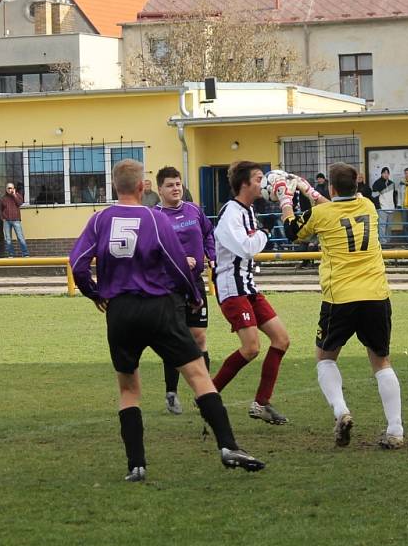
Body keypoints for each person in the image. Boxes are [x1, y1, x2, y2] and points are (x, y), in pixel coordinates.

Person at [69, 158, 263, 481]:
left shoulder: (100, 220)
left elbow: (77, 263)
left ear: (115, 187)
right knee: (199, 375)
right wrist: (194, 294)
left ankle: (136, 465)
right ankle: (228, 446)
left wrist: (95, 293)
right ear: (143, 187)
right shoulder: (154, 218)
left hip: (120, 311)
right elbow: (177, 264)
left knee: (129, 390)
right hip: (158, 308)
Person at [281, 162, 404, 449]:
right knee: (381, 362)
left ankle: (341, 411)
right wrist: (309, 190)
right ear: (358, 186)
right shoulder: (368, 207)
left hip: (340, 297)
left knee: (325, 358)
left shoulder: (321, 214)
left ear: (331, 188)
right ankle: (395, 429)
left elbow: (292, 231)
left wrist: (287, 198)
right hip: (375, 294)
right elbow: (336, 207)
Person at [209, 161, 292, 425]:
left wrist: (260, 234)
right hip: (231, 288)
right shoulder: (230, 213)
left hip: (248, 287)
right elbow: (246, 247)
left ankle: (261, 404)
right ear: (244, 184)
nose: (263, 183)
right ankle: (207, 395)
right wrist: (265, 234)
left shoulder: (249, 211)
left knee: (281, 340)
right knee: (251, 348)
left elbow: (249, 246)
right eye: (258, 178)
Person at [155, 166, 216, 415]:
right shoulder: (154, 217)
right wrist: (180, 260)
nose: (176, 188)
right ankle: (171, 392)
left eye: (178, 184)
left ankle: (206, 391)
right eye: (170, 185)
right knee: (176, 339)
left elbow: (208, 234)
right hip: (169, 286)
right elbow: (152, 252)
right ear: (159, 190)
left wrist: (212, 257)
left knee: (199, 336)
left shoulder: (193, 210)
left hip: (195, 283)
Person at [0, 183, 29, 258]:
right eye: (8, 188)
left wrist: (14, 195)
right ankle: (11, 254)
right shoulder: (3, 198)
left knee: (20, 237)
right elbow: (0, 209)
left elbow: (19, 203)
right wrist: (2, 218)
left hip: (16, 220)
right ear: (6, 189)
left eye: (11, 188)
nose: (10, 190)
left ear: (14, 188)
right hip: (7, 221)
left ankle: (25, 253)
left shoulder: (17, 195)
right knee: (8, 238)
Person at [372, 167, 397, 244]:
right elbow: (374, 196)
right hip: (382, 208)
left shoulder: (392, 183)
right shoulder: (376, 183)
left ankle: (388, 241)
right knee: (382, 226)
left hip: (391, 208)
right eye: (384, 173)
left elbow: (394, 196)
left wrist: (395, 205)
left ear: (389, 174)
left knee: (389, 226)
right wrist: (378, 207)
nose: (386, 175)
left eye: (387, 173)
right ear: (381, 174)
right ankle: (383, 242)